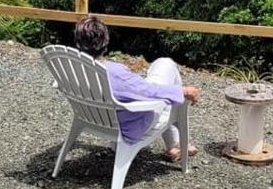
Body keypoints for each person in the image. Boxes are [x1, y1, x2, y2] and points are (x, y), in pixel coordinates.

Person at [74, 16, 199, 161]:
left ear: (78, 41)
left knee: (165, 86)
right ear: (105, 41)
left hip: (96, 120)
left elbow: (140, 89)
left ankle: (174, 144)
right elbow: (149, 92)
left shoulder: (72, 68)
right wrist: (183, 91)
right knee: (166, 64)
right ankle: (175, 144)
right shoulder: (114, 73)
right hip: (129, 127)